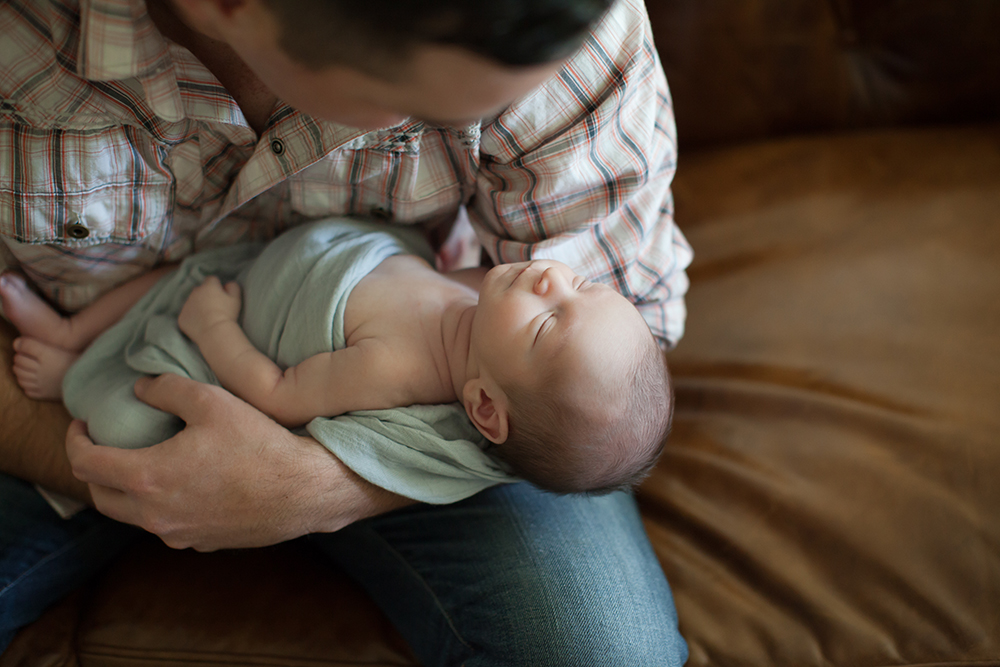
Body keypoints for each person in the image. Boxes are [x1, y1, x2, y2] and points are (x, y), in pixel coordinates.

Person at [0, 0, 693, 663]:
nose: (548, 278)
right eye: (421, 104)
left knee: (604, 650)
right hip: (98, 388)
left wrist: (326, 484)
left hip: (436, 439)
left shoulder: (567, 32)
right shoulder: (23, 35)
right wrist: (127, 471)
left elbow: (611, 355)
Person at [2, 218, 671, 495]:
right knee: (182, 271)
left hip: (234, 328)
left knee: (131, 397)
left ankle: (75, 369)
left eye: (547, 325)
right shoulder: (482, 298)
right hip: (283, 254)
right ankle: (70, 328)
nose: (553, 280)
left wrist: (213, 332)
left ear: (485, 405)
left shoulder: (396, 368)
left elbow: (277, 391)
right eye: (584, 287)